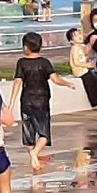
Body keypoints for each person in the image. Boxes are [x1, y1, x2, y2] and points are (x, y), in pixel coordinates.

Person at [14, 30, 73, 174]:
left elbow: (17, 82)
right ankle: (35, 154)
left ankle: (34, 157)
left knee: (29, 133)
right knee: (44, 134)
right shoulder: (45, 63)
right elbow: (55, 79)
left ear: (25, 48)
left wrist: (10, 103)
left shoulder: (21, 62)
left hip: (26, 100)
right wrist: (67, 83)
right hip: (42, 100)